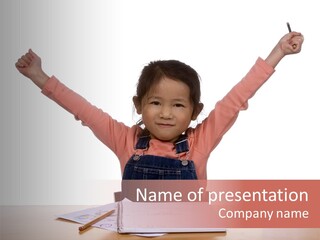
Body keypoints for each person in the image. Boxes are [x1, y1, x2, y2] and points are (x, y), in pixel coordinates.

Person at [15, 31, 304, 180]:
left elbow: (237, 98)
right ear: (138, 105)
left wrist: (277, 52)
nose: (166, 113)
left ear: (195, 112)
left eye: (178, 105)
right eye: (155, 102)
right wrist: (39, 76)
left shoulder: (200, 141)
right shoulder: (124, 140)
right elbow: (83, 110)